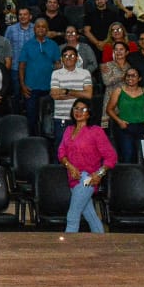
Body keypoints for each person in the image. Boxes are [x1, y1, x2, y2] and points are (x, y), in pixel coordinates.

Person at [58, 98, 117, 234]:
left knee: (72, 216)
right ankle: (102, 244)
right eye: (76, 108)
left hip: (87, 178)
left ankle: (67, 250)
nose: (79, 112)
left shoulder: (95, 131)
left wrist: (99, 174)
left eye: (83, 109)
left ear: (89, 113)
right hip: (73, 178)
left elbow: (111, 157)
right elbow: (61, 152)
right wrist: (70, 166)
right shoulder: (68, 130)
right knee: (91, 216)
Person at [106, 66, 144, 163]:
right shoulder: (119, 91)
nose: (130, 78)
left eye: (133, 76)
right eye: (128, 76)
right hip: (125, 127)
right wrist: (119, 121)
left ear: (139, 78)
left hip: (143, 127)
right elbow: (109, 109)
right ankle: (128, 178)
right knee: (128, 156)